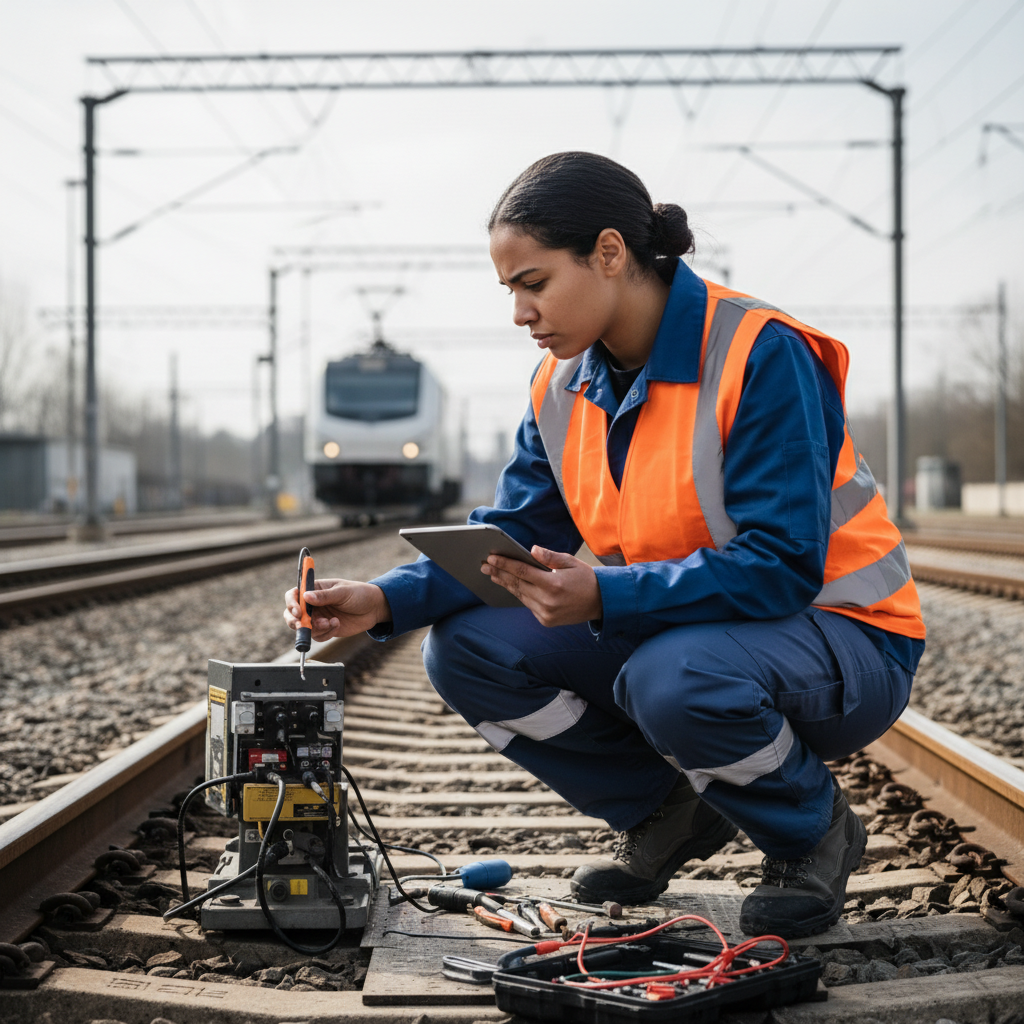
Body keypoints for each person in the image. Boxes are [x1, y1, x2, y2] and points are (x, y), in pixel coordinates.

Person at [284, 151, 925, 939]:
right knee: (465, 649)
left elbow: (784, 563)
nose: (520, 312)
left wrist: (607, 595)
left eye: (535, 283)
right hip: (701, 633)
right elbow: (513, 532)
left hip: (845, 641)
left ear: (611, 254)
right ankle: (666, 810)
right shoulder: (561, 384)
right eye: (510, 290)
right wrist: (384, 599)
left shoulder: (760, 351)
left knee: (674, 677)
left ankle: (810, 831)